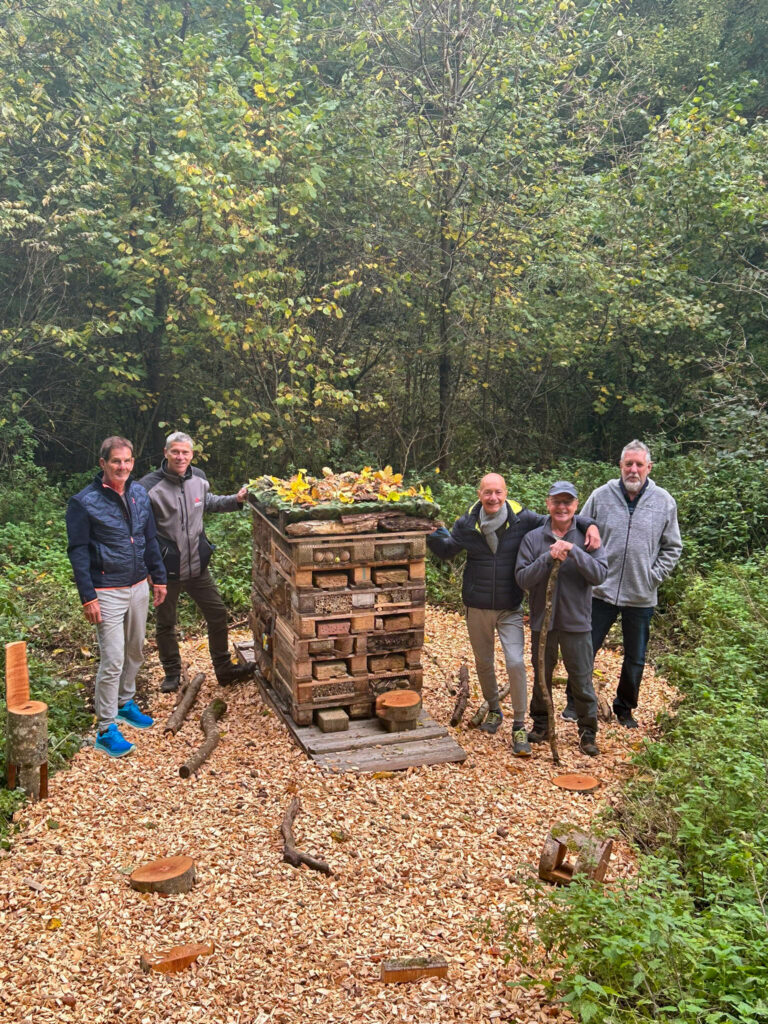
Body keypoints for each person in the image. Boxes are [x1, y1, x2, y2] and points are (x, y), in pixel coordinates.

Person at [427, 473, 600, 757]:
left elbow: (558, 517)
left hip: (510, 604)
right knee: (484, 663)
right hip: (477, 603)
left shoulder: (522, 519)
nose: (493, 498)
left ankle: (520, 723)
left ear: (506, 493)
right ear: (479, 494)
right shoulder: (467, 522)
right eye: (487, 493)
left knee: (516, 662)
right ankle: (494, 710)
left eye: (498, 492)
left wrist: (588, 523)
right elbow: (447, 550)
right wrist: (429, 531)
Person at [565, 440, 683, 729]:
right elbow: (578, 525)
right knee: (585, 648)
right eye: (628, 464)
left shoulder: (664, 501)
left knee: (636, 657)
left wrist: (652, 576)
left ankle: (624, 708)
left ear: (648, 467)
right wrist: (588, 563)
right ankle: (574, 702)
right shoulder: (601, 496)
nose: (633, 470)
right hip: (600, 589)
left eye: (639, 464)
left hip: (641, 594)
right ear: (620, 466)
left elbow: (673, 547)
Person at [66, 436, 167, 758]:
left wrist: (158, 578)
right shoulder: (83, 502)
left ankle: (125, 702)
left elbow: (149, 539)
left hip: (138, 585)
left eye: (126, 461)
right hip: (106, 590)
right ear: (103, 464)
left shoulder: (139, 494)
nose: (121, 467)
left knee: (135, 650)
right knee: (112, 658)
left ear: (133, 462)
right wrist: (87, 596)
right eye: (115, 461)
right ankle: (106, 727)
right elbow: (78, 551)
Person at [139, 431, 255, 692]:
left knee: (217, 614)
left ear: (192, 455)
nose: (181, 457)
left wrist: (236, 500)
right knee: (166, 623)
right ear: (166, 452)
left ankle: (224, 670)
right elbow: (139, 531)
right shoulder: (147, 486)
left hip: (197, 566)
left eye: (185, 453)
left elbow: (209, 503)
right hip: (166, 570)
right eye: (176, 452)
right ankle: (172, 673)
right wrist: (148, 569)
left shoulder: (199, 477)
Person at [515, 482, 608, 757]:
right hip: (543, 622)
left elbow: (600, 575)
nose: (562, 507)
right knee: (541, 674)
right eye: (557, 502)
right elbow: (522, 578)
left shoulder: (588, 537)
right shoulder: (533, 538)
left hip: (577, 622)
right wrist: (548, 557)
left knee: (581, 679)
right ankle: (541, 725)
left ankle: (587, 733)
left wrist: (574, 552)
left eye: (568, 502)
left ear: (576, 505)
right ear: (548, 504)